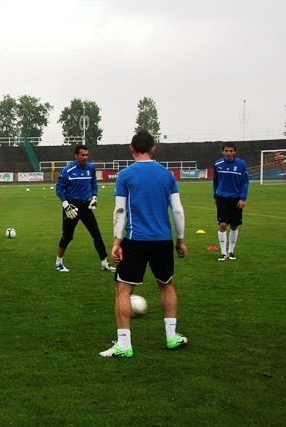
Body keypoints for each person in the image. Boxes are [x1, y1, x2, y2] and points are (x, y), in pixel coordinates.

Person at [100, 131, 187, 358]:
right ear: (153, 148)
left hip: (136, 240)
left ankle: (124, 345)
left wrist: (117, 241)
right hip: (162, 241)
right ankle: (172, 337)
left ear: (131, 148)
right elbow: (177, 209)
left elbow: (120, 210)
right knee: (167, 285)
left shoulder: (125, 175)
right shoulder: (167, 175)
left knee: (123, 290)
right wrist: (180, 239)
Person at [55, 144, 116, 273]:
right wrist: (66, 205)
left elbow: (94, 184)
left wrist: (94, 196)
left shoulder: (91, 168)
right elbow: (59, 190)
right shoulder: (67, 170)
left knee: (96, 235)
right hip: (72, 207)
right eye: (82, 155)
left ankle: (104, 263)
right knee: (67, 236)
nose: (85, 157)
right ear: (75, 155)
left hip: (86, 207)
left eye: (87, 155)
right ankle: (58, 262)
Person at [213, 143, 249, 261]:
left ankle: (231, 251)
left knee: (234, 225)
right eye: (226, 151)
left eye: (231, 151)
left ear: (235, 152)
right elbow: (216, 181)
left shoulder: (241, 164)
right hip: (222, 198)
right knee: (223, 224)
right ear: (222, 152)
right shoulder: (218, 164)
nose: (228, 153)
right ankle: (223, 253)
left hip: (236, 198)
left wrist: (243, 198)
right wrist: (215, 196)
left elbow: (245, 182)